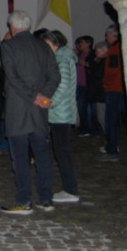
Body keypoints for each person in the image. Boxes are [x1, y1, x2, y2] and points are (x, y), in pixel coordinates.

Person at [0, 10, 60, 216]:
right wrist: (43, 96)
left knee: (20, 158)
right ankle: (46, 198)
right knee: (42, 155)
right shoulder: (43, 46)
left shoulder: (8, 46)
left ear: (12, 27)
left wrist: (33, 95)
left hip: (19, 108)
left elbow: (12, 77)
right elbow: (55, 75)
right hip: (39, 109)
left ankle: (24, 200)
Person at [40, 30, 80, 203]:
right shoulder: (61, 58)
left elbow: (62, 85)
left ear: (56, 44)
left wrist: (49, 103)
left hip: (61, 113)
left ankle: (70, 189)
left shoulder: (62, 59)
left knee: (62, 152)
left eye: (47, 45)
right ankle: (69, 188)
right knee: (61, 151)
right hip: (60, 112)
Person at [100, 25, 125, 162]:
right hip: (120, 88)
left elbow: (112, 71)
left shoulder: (114, 50)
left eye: (107, 35)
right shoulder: (120, 47)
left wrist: (105, 83)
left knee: (111, 121)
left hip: (114, 89)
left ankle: (112, 149)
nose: (106, 38)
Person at [74, 35, 98, 136]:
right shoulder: (79, 54)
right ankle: (84, 129)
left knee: (92, 109)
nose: (80, 44)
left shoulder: (93, 54)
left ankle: (94, 129)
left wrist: (86, 64)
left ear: (88, 43)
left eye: (82, 42)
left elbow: (96, 68)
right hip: (79, 85)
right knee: (81, 108)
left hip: (89, 85)